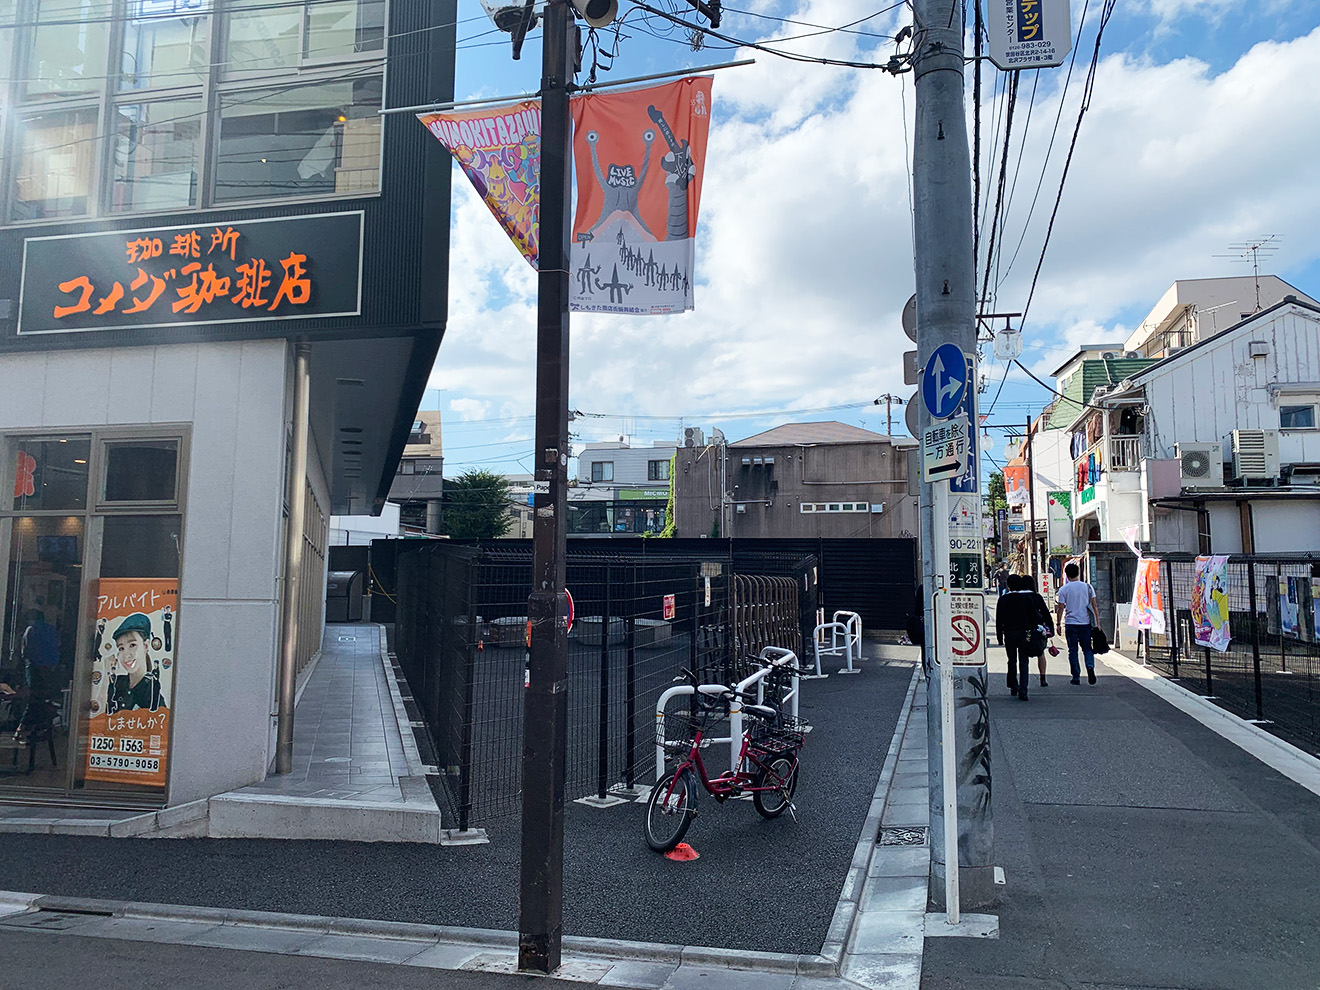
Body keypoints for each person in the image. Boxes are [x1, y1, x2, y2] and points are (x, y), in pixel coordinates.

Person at [107, 613, 166, 713]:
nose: (126, 655)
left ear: (146, 646)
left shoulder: (152, 693)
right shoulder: (118, 684)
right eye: (121, 648)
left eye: (132, 645)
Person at [1054, 561, 1100, 685]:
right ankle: (1090, 667)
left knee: (1073, 650)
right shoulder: (1088, 587)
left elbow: (1061, 608)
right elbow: (1094, 605)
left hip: (1070, 623)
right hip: (1085, 623)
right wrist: (1097, 622)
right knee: (1087, 648)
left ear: (1066, 575)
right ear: (1079, 573)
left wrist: (1058, 624)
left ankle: (1076, 676)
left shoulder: (1064, 589)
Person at [1018, 573, 1056, 688]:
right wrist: (1051, 630)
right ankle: (1043, 678)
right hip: (1038, 629)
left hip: (1022, 629)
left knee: (1023, 655)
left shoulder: (1017, 597)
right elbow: (1045, 613)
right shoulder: (1037, 596)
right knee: (1041, 652)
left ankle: (1023, 682)